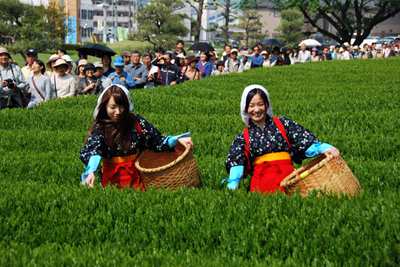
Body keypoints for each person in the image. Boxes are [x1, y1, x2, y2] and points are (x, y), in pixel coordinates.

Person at [222, 85, 341, 194]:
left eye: (260, 104)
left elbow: (303, 141)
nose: (256, 109)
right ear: (245, 108)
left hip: (289, 182)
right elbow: (236, 161)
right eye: (251, 106)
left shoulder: (283, 124)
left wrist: (323, 148)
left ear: (267, 105)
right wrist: (233, 183)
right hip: (260, 187)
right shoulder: (243, 136)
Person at [79, 84, 194, 189]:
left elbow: (155, 141)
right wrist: (91, 171)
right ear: (105, 106)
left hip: (136, 177)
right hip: (110, 177)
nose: (118, 112)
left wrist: (176, 139)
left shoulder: (136, 122)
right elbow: (94, 149)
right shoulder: (101, 127)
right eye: (112, 107)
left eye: (122, 107)